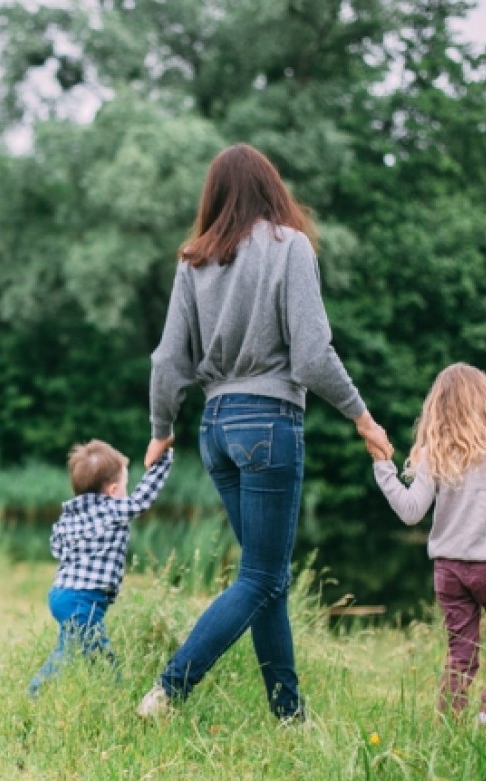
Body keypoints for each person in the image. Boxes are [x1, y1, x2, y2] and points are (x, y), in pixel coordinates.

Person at [140, 143, 391, 720]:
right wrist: (363, 416)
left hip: (215, 430)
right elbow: (311, 355)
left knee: (268, 574)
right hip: (269, 422)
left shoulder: (193, 260)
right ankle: (168, 690)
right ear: (271, 188)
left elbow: (165, 361)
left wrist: (160, 429)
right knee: (260, 575)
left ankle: (288, 715)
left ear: (216, 196)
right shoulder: (289, 246)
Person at [371, 363, 486, 722]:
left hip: (449, 571)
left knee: (461, 654)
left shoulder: (432, 456)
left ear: (437, 408)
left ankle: (449, 728)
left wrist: (384, 468)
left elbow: (410, 512)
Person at [28, 440, 174, 697]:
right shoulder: (111, 510)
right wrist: (162, 461)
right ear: (113, 490)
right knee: (89, 653)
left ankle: (102, 693)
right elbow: (143, 499)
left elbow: (56, 549)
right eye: (125, 487)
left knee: (79, 646)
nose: (126, 493)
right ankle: (39, 693)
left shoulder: (67, 518)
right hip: (83, 599)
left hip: (62, 594)